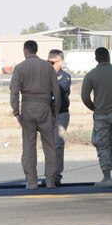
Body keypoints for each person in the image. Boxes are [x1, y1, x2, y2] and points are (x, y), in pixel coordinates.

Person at [10, 40, 60, 190]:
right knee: (50, 146)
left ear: (26, 51)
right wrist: (55, 111)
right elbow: (56, 91)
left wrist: (16, 112)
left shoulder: (20, 68)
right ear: (36, 50)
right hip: (45, 108)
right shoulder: (48, 67)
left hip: (28, 108)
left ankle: (32, 182)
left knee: (29, 147)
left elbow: (14, 91)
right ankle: (50, 181)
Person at [81, 47, 112, 187]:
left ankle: (106, 177)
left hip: (101, 115)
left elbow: (85, 97)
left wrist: (94, 107)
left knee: (103, 146)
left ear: (96, 58)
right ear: (108, 57)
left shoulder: (91, 75)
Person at [44, 49, 71, 187]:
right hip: (47, 114)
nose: (50, 64)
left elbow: (57, 91)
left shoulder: (65, 77)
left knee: (58, 144)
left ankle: (56, 175)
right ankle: (49, 174)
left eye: (53, 62)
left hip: (61, 114)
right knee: (48, 145)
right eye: (47, 62)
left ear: (61, 62)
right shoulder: (43, 76)